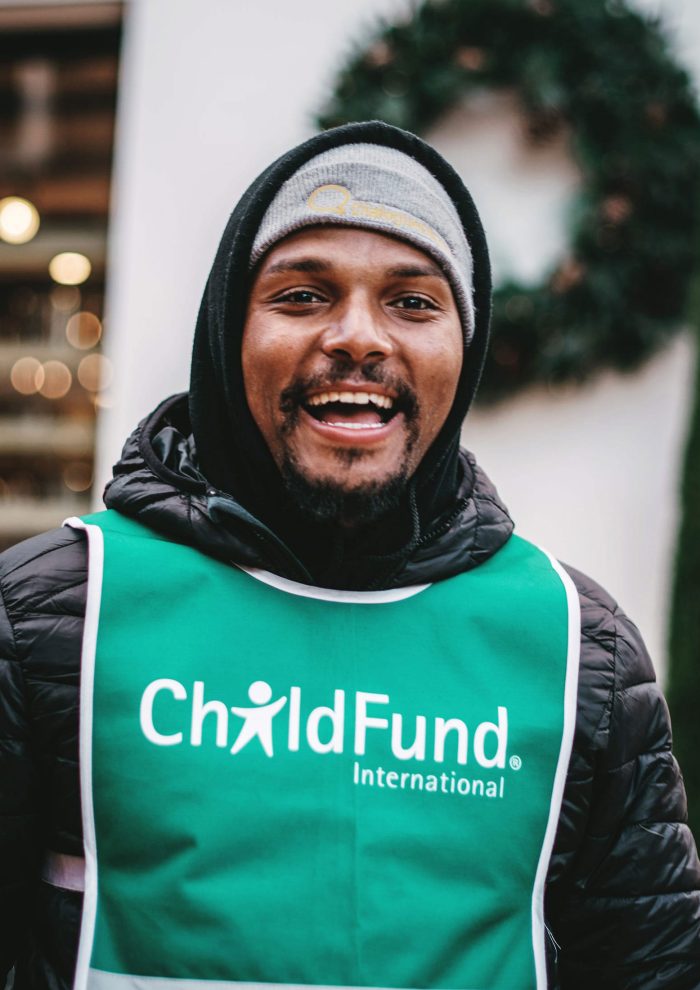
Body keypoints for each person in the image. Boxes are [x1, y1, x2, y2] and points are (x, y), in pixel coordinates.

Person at [1, 121, 699, 990]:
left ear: (467, 348)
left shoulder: (578, 651)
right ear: (226, 332)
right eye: (302, 295)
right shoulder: (47, 615)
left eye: (413, 302)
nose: (359, 337)